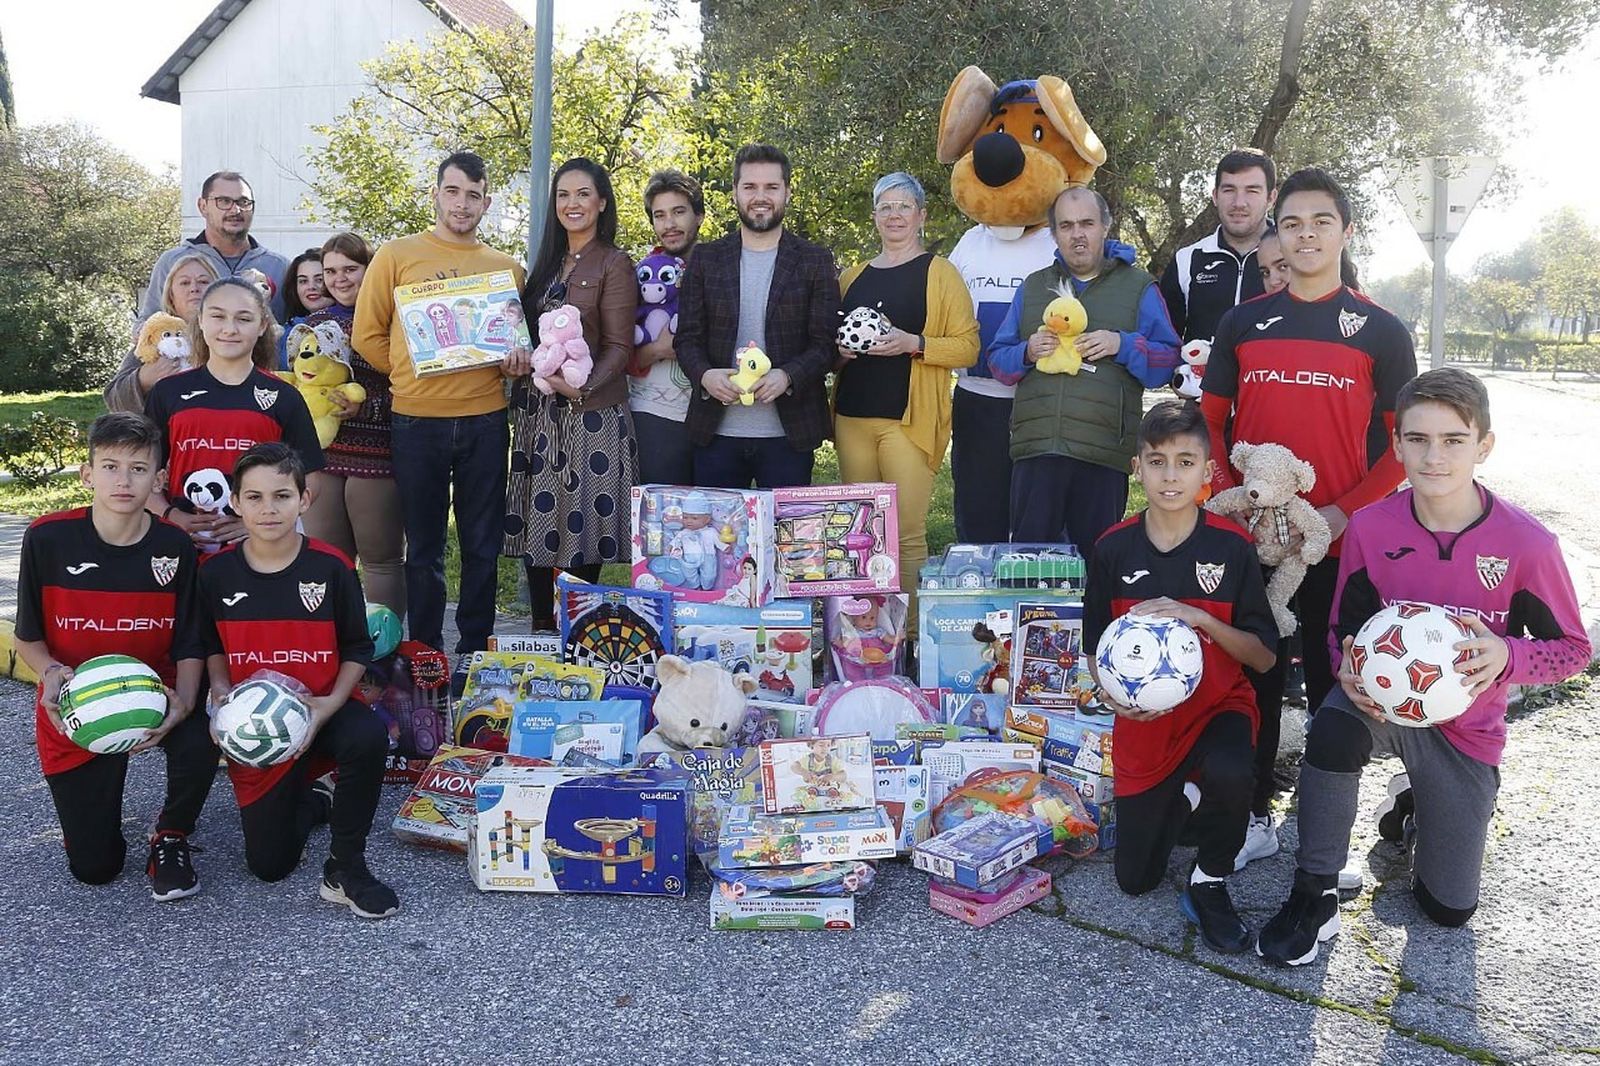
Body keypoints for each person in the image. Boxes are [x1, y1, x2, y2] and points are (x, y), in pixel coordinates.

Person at [1256, 369, 1589, 965]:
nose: (1434, 456)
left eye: (1453, 440)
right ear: (1398, 443)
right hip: (1380, 705)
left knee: (1448, 911)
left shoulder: (1527, 545)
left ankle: (1413, 806)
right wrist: (1347, 667)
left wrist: (1508, 654)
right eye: (1417, 439)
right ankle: (1315, 892)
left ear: (1483, 446)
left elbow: (1573, 649)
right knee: (1331, 726)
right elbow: (1343, 628)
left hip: (1466, 730)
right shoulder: (1372, 527)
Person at [1200, 167, 1418, 869]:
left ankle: (1326, 841)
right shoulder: (1242, 323)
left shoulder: (1381, 330)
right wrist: (1247, 511)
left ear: (1346, 232)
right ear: (1276, 233)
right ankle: (1255, 814)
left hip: (1337, 543)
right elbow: (1210, 427)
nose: (1306, 234)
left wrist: (1337, 512)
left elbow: (1399, 446)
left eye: (1321, 221)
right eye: (1291, 223)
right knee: (1255, 683)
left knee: (1336, 691)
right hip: (1254, 543)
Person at [1084, 401, 1277, 954]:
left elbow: (1263, 658)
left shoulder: (1231, 547)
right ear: (1136, 467)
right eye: (1158, 461)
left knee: (1232, 768)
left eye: (1185, 461)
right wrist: (1111, 695)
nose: (1171, 475)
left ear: (1207, 471)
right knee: (1135, 882)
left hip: (1220, 705)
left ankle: (1210, 879)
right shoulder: (1112, 548)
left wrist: (1202, 619)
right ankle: (1188, 796)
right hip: (1147, 720)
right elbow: (1097, 642)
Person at [13, 412, 217, 899]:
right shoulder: (47, 538)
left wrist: (185, 705)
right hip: (78, 701)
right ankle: (88, 826)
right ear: (88, 475)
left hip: (157, 689)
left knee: (202, 732)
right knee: (96, 868)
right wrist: (51, 674)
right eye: (110, 466)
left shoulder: (174, 547)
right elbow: (27, 636)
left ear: (159, 479)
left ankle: (172, 833)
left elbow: (191, 640)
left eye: (139, 468)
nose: (123, 480)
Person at [198, 443, 397, 918]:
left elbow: (356, 648)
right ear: (236, 502)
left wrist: (328, 705)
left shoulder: (331, 566)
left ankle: (346, 866)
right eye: (255, 497)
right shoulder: (215, 572)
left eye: (282, 496)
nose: (269, 509)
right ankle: (315, 802)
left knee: (368, 735)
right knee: (270, 865)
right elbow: (208, 645)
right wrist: (221, 698)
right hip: (256, 720)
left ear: (305, 499)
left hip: (321, 706)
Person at [353, 151, 525, 654]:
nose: (462, 203)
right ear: (435, 195)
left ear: (486, 202)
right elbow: (367, 334)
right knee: (423, 550)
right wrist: (411, 371)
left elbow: (512, 345)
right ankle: (425, 652)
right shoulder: (397, 255)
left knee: (481, 548)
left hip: (485, 420)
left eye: (473, 195)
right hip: (416, 421)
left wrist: (514, 362)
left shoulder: (505, 269)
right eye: (452, 191)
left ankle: (474, 651)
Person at [990, 187, 1182, 555]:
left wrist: (1122, 344)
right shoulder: (1033, 287)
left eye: (1086, 224)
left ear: (1105, 227)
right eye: (1066, 226)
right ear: (1055, 234)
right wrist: (1027, 351)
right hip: (1038, 452)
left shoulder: (1138, 286)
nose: (1077, 234)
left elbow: (1167, 364)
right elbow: (998, 361)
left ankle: (1096, 617)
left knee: (1099, 568)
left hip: (1102, 456)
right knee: (1031, 567)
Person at [834, 171, 978, 629]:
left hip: (908, 423)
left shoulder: (940, 273)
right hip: (851, 420)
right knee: (859, 535)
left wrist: (912, 342)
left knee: (905, 536)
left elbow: (968, 347)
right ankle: (862, 639)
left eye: (904, 206)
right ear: (874, 216)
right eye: (885, 207)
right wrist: (835, 352)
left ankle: (912, 642)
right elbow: (829, 349)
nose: (894, 215)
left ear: (921, 215)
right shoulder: (851, 276)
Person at [502, 158, 638, 630]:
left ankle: (578, 636)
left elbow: (621, 347)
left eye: (583, 194)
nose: (572, 203)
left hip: (592, 416)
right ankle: (542, 632)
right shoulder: (543, 265)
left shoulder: (615, 263)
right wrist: (517, 360)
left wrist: (578, 387)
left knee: (582, 534)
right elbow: (523, 336)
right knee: (540, 527)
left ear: (602, 202)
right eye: (563, 194)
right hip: (539, 415)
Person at [675, 143, 840, 489]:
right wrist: (705, 376)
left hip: (788, 435)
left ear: (787, 193)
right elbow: (687, 338)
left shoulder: (815, 260)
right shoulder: (706, 259)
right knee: (717, 540)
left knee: (784, 540)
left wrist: (788, 376)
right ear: (735, 192)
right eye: (750, 187)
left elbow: (825, 344)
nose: (760, 196)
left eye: (771, 187)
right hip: (715, 433)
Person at [144, 278, 325, 553]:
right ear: (201, 320)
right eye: (218, 316)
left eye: (243, 318)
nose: (230, 329)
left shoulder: (282, 396)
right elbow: (142, 467)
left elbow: (310, 477)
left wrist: (257, 522)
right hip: (180, 547)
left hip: (255, 549)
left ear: (262, 325)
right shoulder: (169, 392)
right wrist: (170, 515)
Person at [299, 232, 404, 615]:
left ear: (370, 270)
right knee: (328, 561)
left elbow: (411, 390)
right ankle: (333, 648)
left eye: (350, 269)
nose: (339, 279)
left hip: (377, 456)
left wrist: (367, 409)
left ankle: (384, 650)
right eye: (330, 271)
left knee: (381, 560)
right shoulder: (314, 323)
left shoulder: (393, 320)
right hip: (324, 458)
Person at [629, 169, 705, 486]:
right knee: (662, 521)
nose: (669, 224)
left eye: (678, 212)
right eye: (659, 215)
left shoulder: (719, 267)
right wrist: (659, 349)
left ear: (699, 216)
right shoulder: (642, 275)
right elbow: (621, 351)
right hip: (654, 416)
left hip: (712, 416)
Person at [1159, 149, 1277, 346]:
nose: (1239, 203)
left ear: (1271, 198)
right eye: (1229, 190)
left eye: (1252, 191)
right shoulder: (1187, 260)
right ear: (1215, 196)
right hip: (1201, 376)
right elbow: (1163, 343)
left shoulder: (1294, 257)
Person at [140, 171, 291, 322]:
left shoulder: (279, 267)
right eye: (224, 201)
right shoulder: (173, 262)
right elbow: (148, 327)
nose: (235, 210)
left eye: (244, 202)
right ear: (203, 206)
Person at [105, 253, 219, 413]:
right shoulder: (155, 336)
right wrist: (142, 380)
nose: (194, 288)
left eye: (203, 282)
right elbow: (113, 399)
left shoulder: (232, 336)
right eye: (185, 283)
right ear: (171, 296)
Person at [275, 249, 334, 369]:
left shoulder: (350, 326)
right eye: (303, 281)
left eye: (319, 280)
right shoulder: (286, 331)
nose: (311, 287)